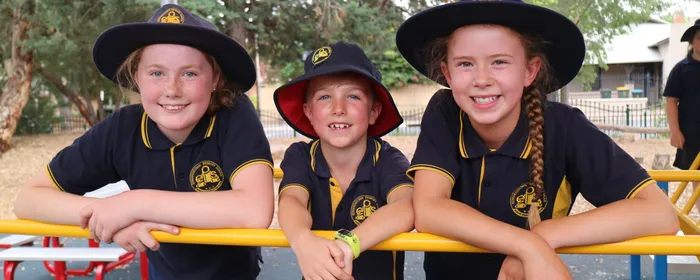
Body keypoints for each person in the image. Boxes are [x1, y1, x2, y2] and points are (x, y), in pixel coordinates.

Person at [394, 0, 679, 279]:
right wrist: (527, 245)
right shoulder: (444, 111)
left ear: (530, 71)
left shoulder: (564, 126)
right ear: (448, 73)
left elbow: (660, 213)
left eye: (499, 62)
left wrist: (543, 236)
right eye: (466, 64)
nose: (482, 79)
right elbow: (429, 209)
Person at [13, 4, 274, 280]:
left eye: (189, 73)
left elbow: (254, 210)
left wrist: (134, 203)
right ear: (136, 78)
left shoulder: (233, 114)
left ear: (215, 80)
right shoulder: (122, 129)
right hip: (165, 272)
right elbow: (28, 199)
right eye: (156, 73)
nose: (172, 90)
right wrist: (110, 217)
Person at [274, 41, 414, 280]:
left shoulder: (388, 160)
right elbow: (292, 200)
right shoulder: (300, 156)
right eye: (324, 97)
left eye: (353, 96)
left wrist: (350, 244)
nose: (338, 108)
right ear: (308, 112)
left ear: (373, 112)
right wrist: (301, 239)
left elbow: (407, 205)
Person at [664, 18, 700, 211]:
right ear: (692, 41)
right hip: (692, 133)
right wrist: (675, 131)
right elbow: (671, 101)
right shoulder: (681, 69)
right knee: (697, 179)